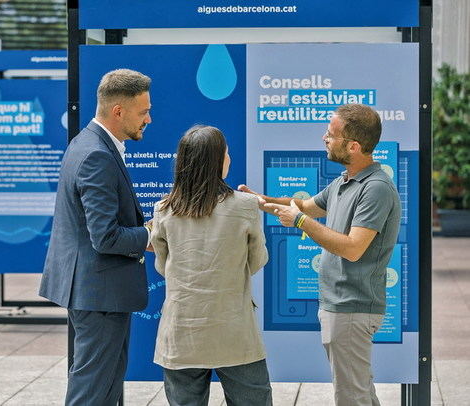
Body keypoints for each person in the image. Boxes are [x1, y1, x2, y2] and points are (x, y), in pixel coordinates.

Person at [240, 104, 401, 406]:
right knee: (359, 391)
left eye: (330, 135)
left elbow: (353, 248)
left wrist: (300, 223)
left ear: (353, 146)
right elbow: (304, 206)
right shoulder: (345, 181)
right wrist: (259, 201)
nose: (323, 138)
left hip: (352, 306)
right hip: (339, 305)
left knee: (351, 396)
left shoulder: (376, 188)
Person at [39, 69, 152, 405]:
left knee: (105, 386)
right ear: (119, 111)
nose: (149, 118)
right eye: (143, 111)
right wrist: (153, 234)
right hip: (100, 294)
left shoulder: (87, 143)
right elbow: (105, 237)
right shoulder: (97, 155)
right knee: (91, 391)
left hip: (97, 291)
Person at [150, 125, 272, 406]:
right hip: (234, 328)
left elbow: (162, 265)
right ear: (218, 161)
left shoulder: (164, 209)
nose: (229, 158)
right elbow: (257, 260)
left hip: (181, 331)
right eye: (227, 153)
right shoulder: (246, 205)